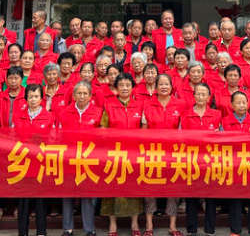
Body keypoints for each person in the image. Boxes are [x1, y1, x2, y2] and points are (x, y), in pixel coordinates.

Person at [100, 73, 144, 236]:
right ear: (116, 88)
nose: (125, 88)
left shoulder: (139, 105)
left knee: (134, 188)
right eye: (121, 85)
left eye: (128, 85)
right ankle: (113, 224)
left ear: (132, 87)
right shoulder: (108, 105)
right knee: (112, 188)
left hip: (133, 154)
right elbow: (103, 128)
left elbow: (144, 130)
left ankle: (134, 223)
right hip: (113, 153)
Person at [141, 74, 185, 236]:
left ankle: (173, 225)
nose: (164, 87)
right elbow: (143, 131)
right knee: (150, 188)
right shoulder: (147, 104)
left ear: (171, 87)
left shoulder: (180, 104)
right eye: (161, 84)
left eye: (167, 84)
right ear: (156, 87)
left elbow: (183, 130)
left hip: (174, 153)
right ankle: (149, 224)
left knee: (173, 188)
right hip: (153, 153)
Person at [58, 81, 101, 236]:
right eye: (79, 93)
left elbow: (101, 138)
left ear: (90, 96)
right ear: (74, 95)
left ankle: (89, 229)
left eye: (85, 93)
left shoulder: (98, 112)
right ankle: (67, 228)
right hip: (69, 158)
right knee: (67, 194)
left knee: (87, 195)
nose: (81, 96)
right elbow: (59, 136)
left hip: (89, 159)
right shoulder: (64, 112)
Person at [12, 84, 53, 236]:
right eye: (30, 97)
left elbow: (54, 139)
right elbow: (12, 137)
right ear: (26, 98)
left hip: (41, 163)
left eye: (36, 96)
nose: (33, 99)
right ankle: (22, 231)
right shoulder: (18, 116)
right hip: (22, 162)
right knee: (23, 200)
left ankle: (41, 231)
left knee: (40, 200)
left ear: (42, 98)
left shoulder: (50, 117)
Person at [181, 83, 221, 236]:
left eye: (204, 94)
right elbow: (179, 137)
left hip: (211, 161)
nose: (201, 96)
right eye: (198, 93)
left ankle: (210, 230)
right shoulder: (185, 115)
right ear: (193, 95)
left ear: (209, 96)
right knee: (191, 196)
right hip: (191, 161)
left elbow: (223, 137)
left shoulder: (217, 114)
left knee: (211, 197)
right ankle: (191, 230)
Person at [222, 91, 250, 236]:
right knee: (235, 197)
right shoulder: (224, 121)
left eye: (244, 102)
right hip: (233, 164)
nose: (241, 105)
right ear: (232, 105)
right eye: (238, 103)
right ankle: (235, 230)